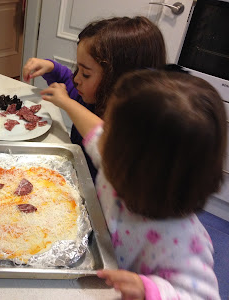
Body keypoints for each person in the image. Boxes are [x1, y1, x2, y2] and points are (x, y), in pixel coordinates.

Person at [42, 69, 224, 299]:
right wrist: (65, 102)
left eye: (109, 130)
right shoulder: (120, 168)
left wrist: (152, 290)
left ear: (132, 161)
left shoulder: (183, 245)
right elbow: (93, 130)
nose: (101, 135)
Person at [23, 16, 166, 180]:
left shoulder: (131, 131)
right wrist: (51, 68)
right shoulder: (89, 96)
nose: (77, 79)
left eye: (86, 74)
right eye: (79, 68)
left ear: (119, 81)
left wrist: (68, 103)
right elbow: (67, 82)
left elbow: (103, 138)